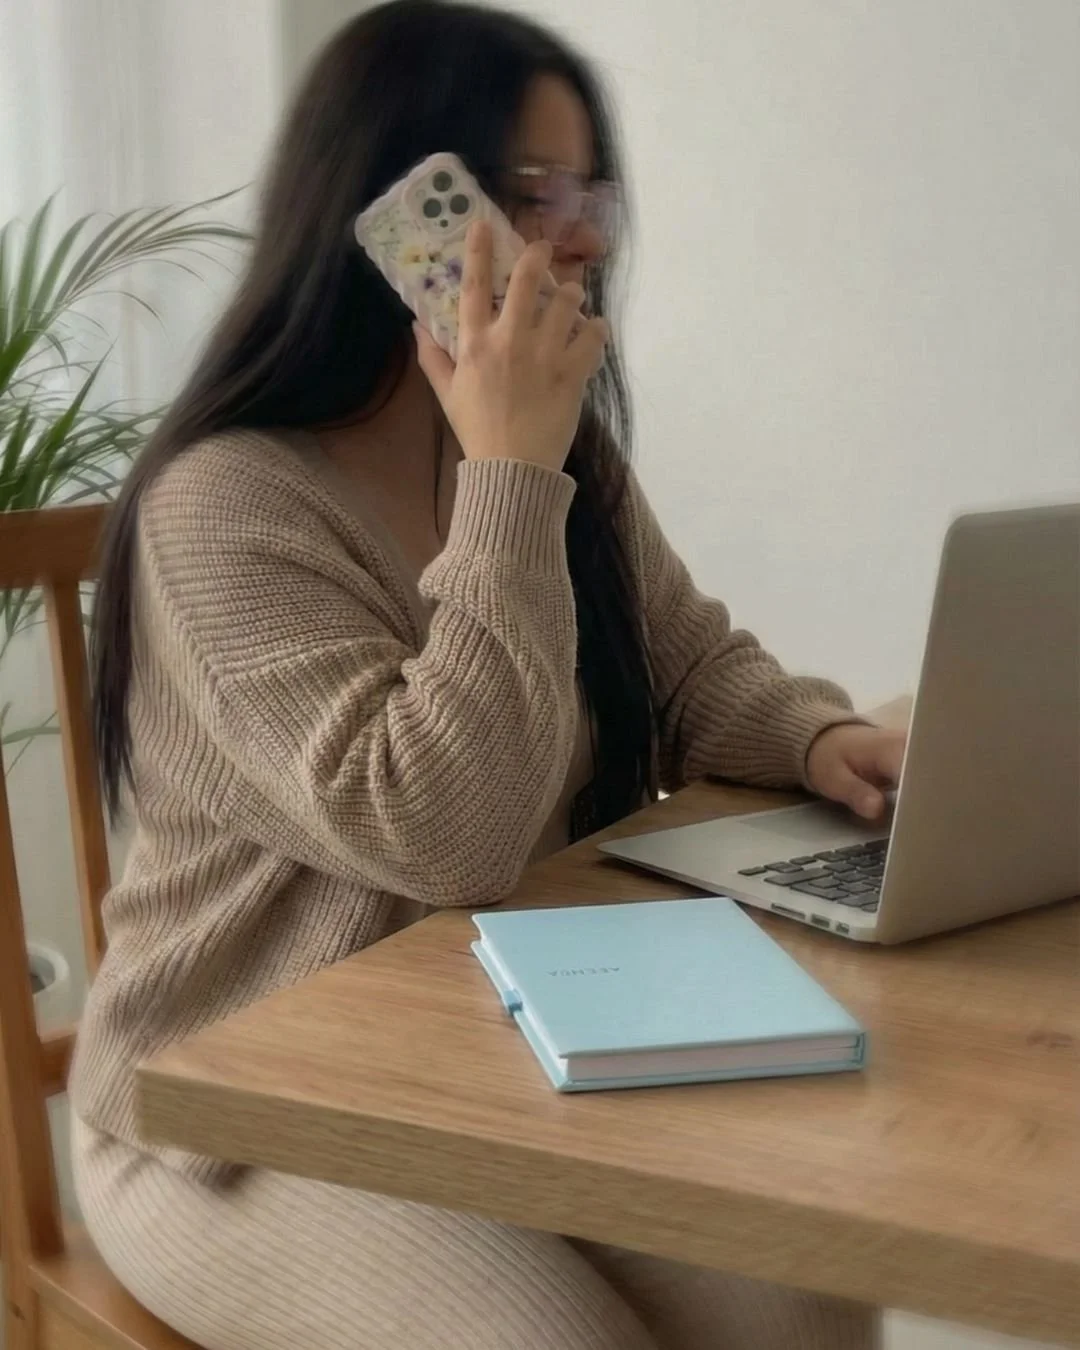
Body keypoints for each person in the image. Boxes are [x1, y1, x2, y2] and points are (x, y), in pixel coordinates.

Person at [71, 3, 902, 1346]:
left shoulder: (552, 459)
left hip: (497, 1047)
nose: (576, 235)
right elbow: (441, 829)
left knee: (797, 1292)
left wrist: (817, 738)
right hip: (230, 1109)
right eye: (530, 192)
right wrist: (513, 470)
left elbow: (686, 664)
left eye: (593, 192)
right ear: (393, 205)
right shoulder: (223, 508)